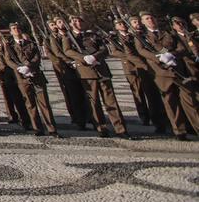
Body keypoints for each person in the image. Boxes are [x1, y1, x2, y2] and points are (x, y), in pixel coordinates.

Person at [60, 16, 127, 138]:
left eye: (80, 21)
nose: (78, 23)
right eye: (74, 21)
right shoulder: (68, 37)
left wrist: (95, 57)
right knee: (94, 102)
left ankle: (120, 129)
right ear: (70, 24)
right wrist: (83, 58)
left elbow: (104, 49)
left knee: (111, 101)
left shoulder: (93, 35)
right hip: (86, 72)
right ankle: (101, 128)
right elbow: (68, 51)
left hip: (101, 69)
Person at [137, 10, 199, 140]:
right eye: (147, 19)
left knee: (189, 101)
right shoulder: (142, 37)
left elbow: (182, 48)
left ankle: (196, 127)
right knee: (171, 103)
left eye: (152, 17)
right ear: (143, 22)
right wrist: (158, 57)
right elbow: (141, 51)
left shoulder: (169, 33)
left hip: (178, 70)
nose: (150, 20)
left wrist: (172, 54)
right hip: (161, 73)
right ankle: (179, 131)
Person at [1, 22, 60, 137]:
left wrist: (29, 66)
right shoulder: (9, 47)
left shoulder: (31, 44)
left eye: (18, 28)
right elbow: (8, 60)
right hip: (22, 78)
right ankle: (37, 128)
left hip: (36, 76)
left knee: (44, 104)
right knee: (30, 104)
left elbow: (37, 57)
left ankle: (52, 129)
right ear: (11, 32)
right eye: (13, 28)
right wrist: (19, 68)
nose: (16, 30)